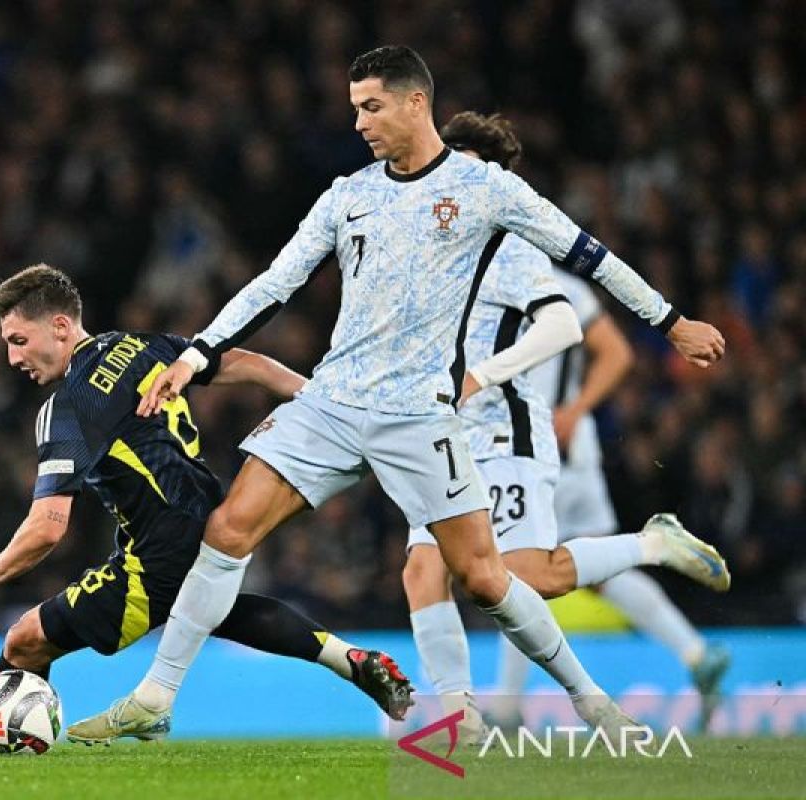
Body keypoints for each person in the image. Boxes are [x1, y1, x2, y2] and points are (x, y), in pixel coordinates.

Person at [68, 45, 725, 745]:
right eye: (354, 109)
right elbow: (275, 282)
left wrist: (672, 321)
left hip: (419, 416)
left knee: (484, 577)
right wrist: (199, 352)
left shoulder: (486, 191)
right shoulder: (349, 195)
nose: (359, 123)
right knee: (229, 529)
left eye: (371, 106)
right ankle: (156, 696)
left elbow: (588, 254)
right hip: (333, 401)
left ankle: (591, 700)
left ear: (417, 102)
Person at [0, 264, 414, 754]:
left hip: (155, 557)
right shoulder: (135, 346)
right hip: (211, 522)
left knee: (24, 640)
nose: (12, 358)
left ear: (62, 326)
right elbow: (247, 364)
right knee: (220, 611)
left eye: (19, 341)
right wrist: (320, 400)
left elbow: (49, 527)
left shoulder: (68, 408)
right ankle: (352, 660)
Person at [398, 112, 730, 745]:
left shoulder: (518, 249)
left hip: (509, 434)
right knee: (422, 570)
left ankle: (652, 546)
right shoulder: (429, 247)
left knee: (527, 579)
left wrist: (490, 381)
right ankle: (463, 714)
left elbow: (579, 327)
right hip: (444, 434)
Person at [490, 267, 732, 732]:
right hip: (572, 451)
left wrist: (570, 412)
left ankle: (506, 708)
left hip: (531, 452)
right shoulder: (566, 286)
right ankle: (695, 651)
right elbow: (617, 353)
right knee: (600, 571)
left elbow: (617, 353)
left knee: (511, 570)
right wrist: (576, 415)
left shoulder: (508, 284)